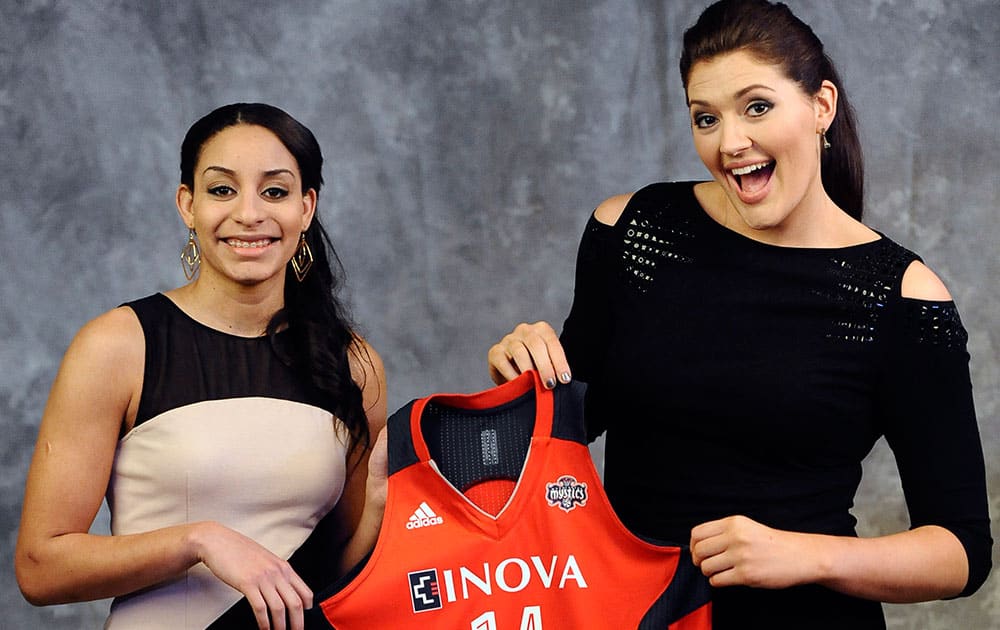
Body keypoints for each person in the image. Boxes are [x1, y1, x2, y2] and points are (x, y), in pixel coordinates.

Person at [486, 1, 991, 628]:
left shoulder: (901, 297)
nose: (730, 143)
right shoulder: (634, 233)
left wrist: (804, 555)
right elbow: (566, 425)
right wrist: (522, 377)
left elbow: (962, 551)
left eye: (757, 106)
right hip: (631, 612)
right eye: (706, 118)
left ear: (821, 107)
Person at [15, 103, 388, 630]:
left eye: (275, 191)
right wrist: (199, 540)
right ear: (187, 205)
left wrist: (379, 505)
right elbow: (39, 568)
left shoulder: (353, 361)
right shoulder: (119, 346)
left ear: (306, 208)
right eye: (222, 190)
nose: (250, 214)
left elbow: (347, 575)